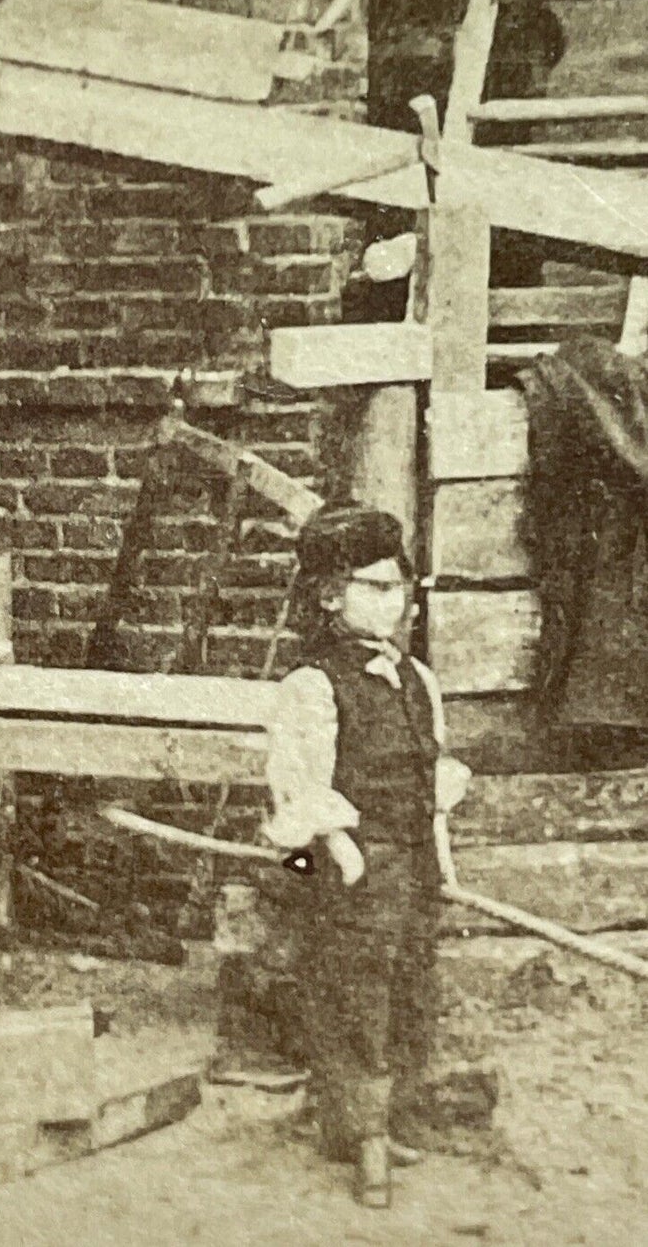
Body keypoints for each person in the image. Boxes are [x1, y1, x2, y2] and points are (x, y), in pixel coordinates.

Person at [263, 504, 471, 1208]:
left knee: (412, 984)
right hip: (360, 867)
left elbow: (430, 769)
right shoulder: (314, 686)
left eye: (399, 588)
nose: (393, 601)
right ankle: (363, 1137)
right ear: (329, 594)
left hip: (414, 864)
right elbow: (303, 785)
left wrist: (437, 857)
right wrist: (341, 852)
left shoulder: (417, 678)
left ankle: (387, 1117)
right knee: (357, 994)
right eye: (374, 587)